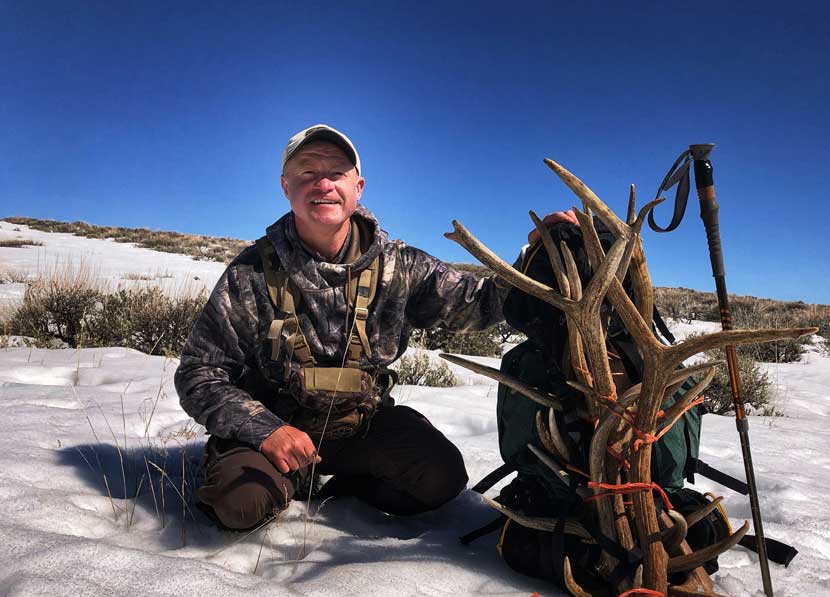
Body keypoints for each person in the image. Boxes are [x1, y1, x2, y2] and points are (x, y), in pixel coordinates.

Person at [175, 124, 575, 530]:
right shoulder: (250, 273)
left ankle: (339, 488)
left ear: (358, 187)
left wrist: (536, 256)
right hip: (276, 436)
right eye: (308, 172)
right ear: (286, 186)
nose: (324, 183)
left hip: (360, 429)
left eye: (337, 172)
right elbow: (199, 372)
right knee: (240, 505)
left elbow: (484, 304)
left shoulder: (402, 266)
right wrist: (264, 430)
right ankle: (262, 474)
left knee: (441, 479)